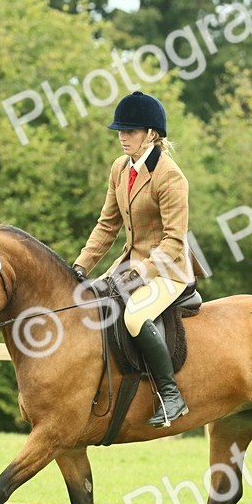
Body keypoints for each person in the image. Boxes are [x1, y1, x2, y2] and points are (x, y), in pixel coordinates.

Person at [72, 91, 195, 428]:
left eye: (130, 132)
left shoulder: (170, 176)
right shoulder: (120, 168)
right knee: (88, 304)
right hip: (129, 263)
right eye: (120, 131)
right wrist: (81, 265)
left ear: (151, 134)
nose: (122, 137)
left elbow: (174, 240)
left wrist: (142, 272)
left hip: (167, 270)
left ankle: (171, 396)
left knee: (135, 317)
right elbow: (107, 225)